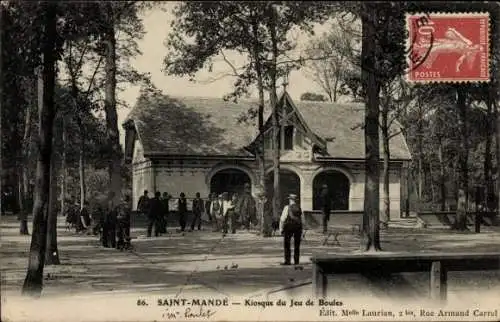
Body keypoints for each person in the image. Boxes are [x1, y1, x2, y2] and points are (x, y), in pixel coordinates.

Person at [279, 194, 305, 266]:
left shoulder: (287, 207)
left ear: (290, 200)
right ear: (295, 200)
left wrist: (281, 228)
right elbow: (302, 219)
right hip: (298, 227)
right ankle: (296, 261)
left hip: (288, 227)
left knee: (287, 244)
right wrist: (302, 230)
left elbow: (282, 219)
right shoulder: (299, 208)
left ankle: (287, 261)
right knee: (297, 245)